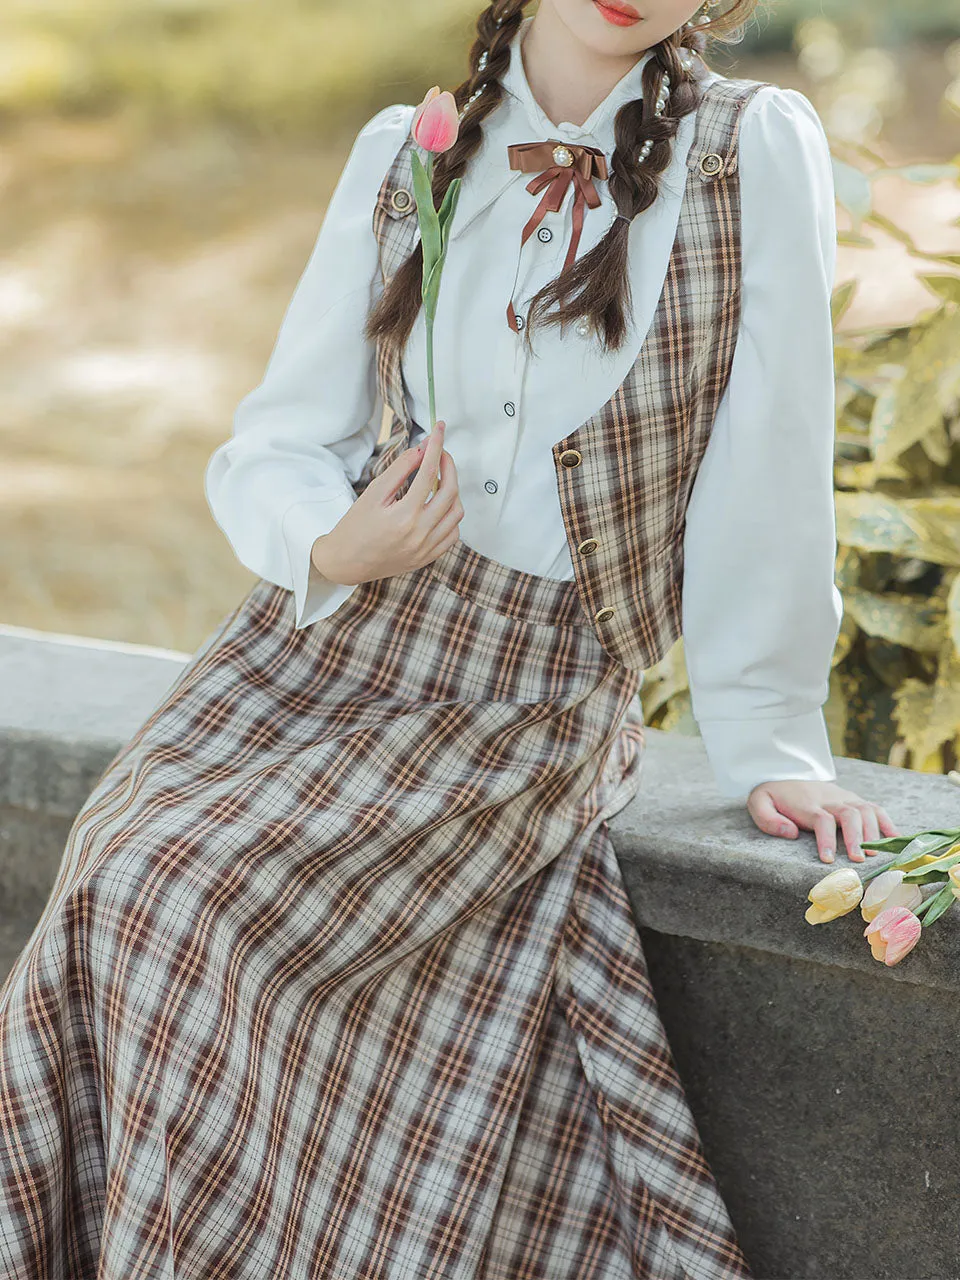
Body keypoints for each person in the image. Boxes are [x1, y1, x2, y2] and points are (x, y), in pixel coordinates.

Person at [0, 0, 899, 1276]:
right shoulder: (408, 147)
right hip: (315, 654)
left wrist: (772, 740)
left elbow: (772, 465)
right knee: (123, 869)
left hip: (525, 704)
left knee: (190, 899)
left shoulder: (748, 153)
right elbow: (273, 439)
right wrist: (331, 543)